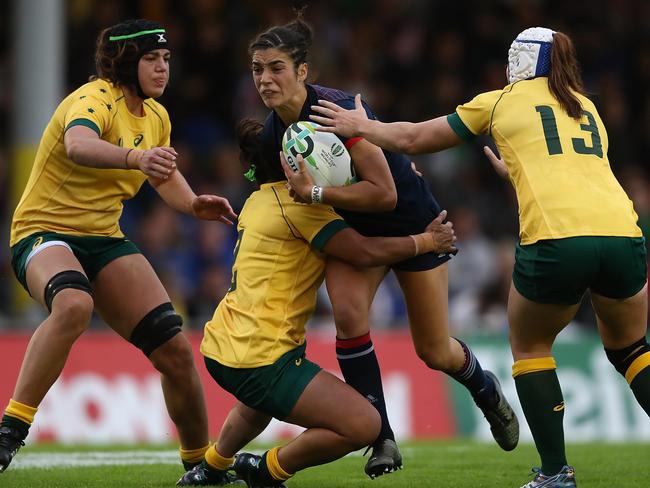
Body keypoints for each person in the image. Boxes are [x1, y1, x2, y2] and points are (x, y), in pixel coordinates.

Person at [311, 27, 649, 488]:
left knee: (530, 349)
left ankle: (555, 473)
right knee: (631, 348)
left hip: (557, 239)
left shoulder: (498, 101)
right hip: (624, 235)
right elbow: (573, 172)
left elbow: (413, 138)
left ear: (526, 61)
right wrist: (517, 172)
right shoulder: (584, 105)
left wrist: (362, 127)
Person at [246, 15, 520, 479]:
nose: (265, 79)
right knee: (349, 317)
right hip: (356, 234)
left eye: (276, 68)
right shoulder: (273, 134)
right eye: (257, 69)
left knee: (434, 351)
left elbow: (385, 193)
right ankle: (383, 439)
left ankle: (484, 386)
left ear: (303, 72)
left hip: (414, 222)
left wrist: (318, 194)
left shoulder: (336, 112)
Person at [0, 19, 237, 473]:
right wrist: (136, 157)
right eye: (152, 59)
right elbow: (78, 144)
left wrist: (192, 204)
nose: (163, 68)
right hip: (43, 232)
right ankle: (11, 429)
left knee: (176, 352)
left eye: (166, 59)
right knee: (72, 305)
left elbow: (161, 173)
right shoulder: (95, 98)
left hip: (104, 239)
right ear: (127, 62)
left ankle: (200, 468)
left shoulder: (157, 116)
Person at [177, 118, 458, 487]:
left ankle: (212, 468)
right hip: (262, 356)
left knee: (259, 403)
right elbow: (360, 250)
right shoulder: (302, 208)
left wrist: (396, 174)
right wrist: (425, 241)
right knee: (363, 425)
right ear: (289, 161)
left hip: (223, 345)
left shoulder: (259, 199)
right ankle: (266, 470)